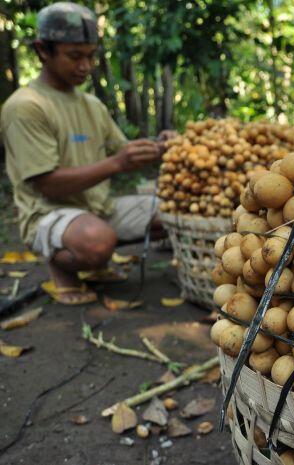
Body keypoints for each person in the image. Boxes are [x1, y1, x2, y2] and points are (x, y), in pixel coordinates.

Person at [1, 2, 173, 305]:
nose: (86, 66)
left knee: (174, 210)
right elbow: (48, 184)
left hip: (98, 207)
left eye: (91, 55)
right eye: (75, 56)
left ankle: (94, 259)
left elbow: (124, 154)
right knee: (96, 241)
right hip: (48, 212)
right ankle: (61, 267)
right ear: (42, 50)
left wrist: (162, 145)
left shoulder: (91, 105)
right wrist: (117, 164)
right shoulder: (26, 106)